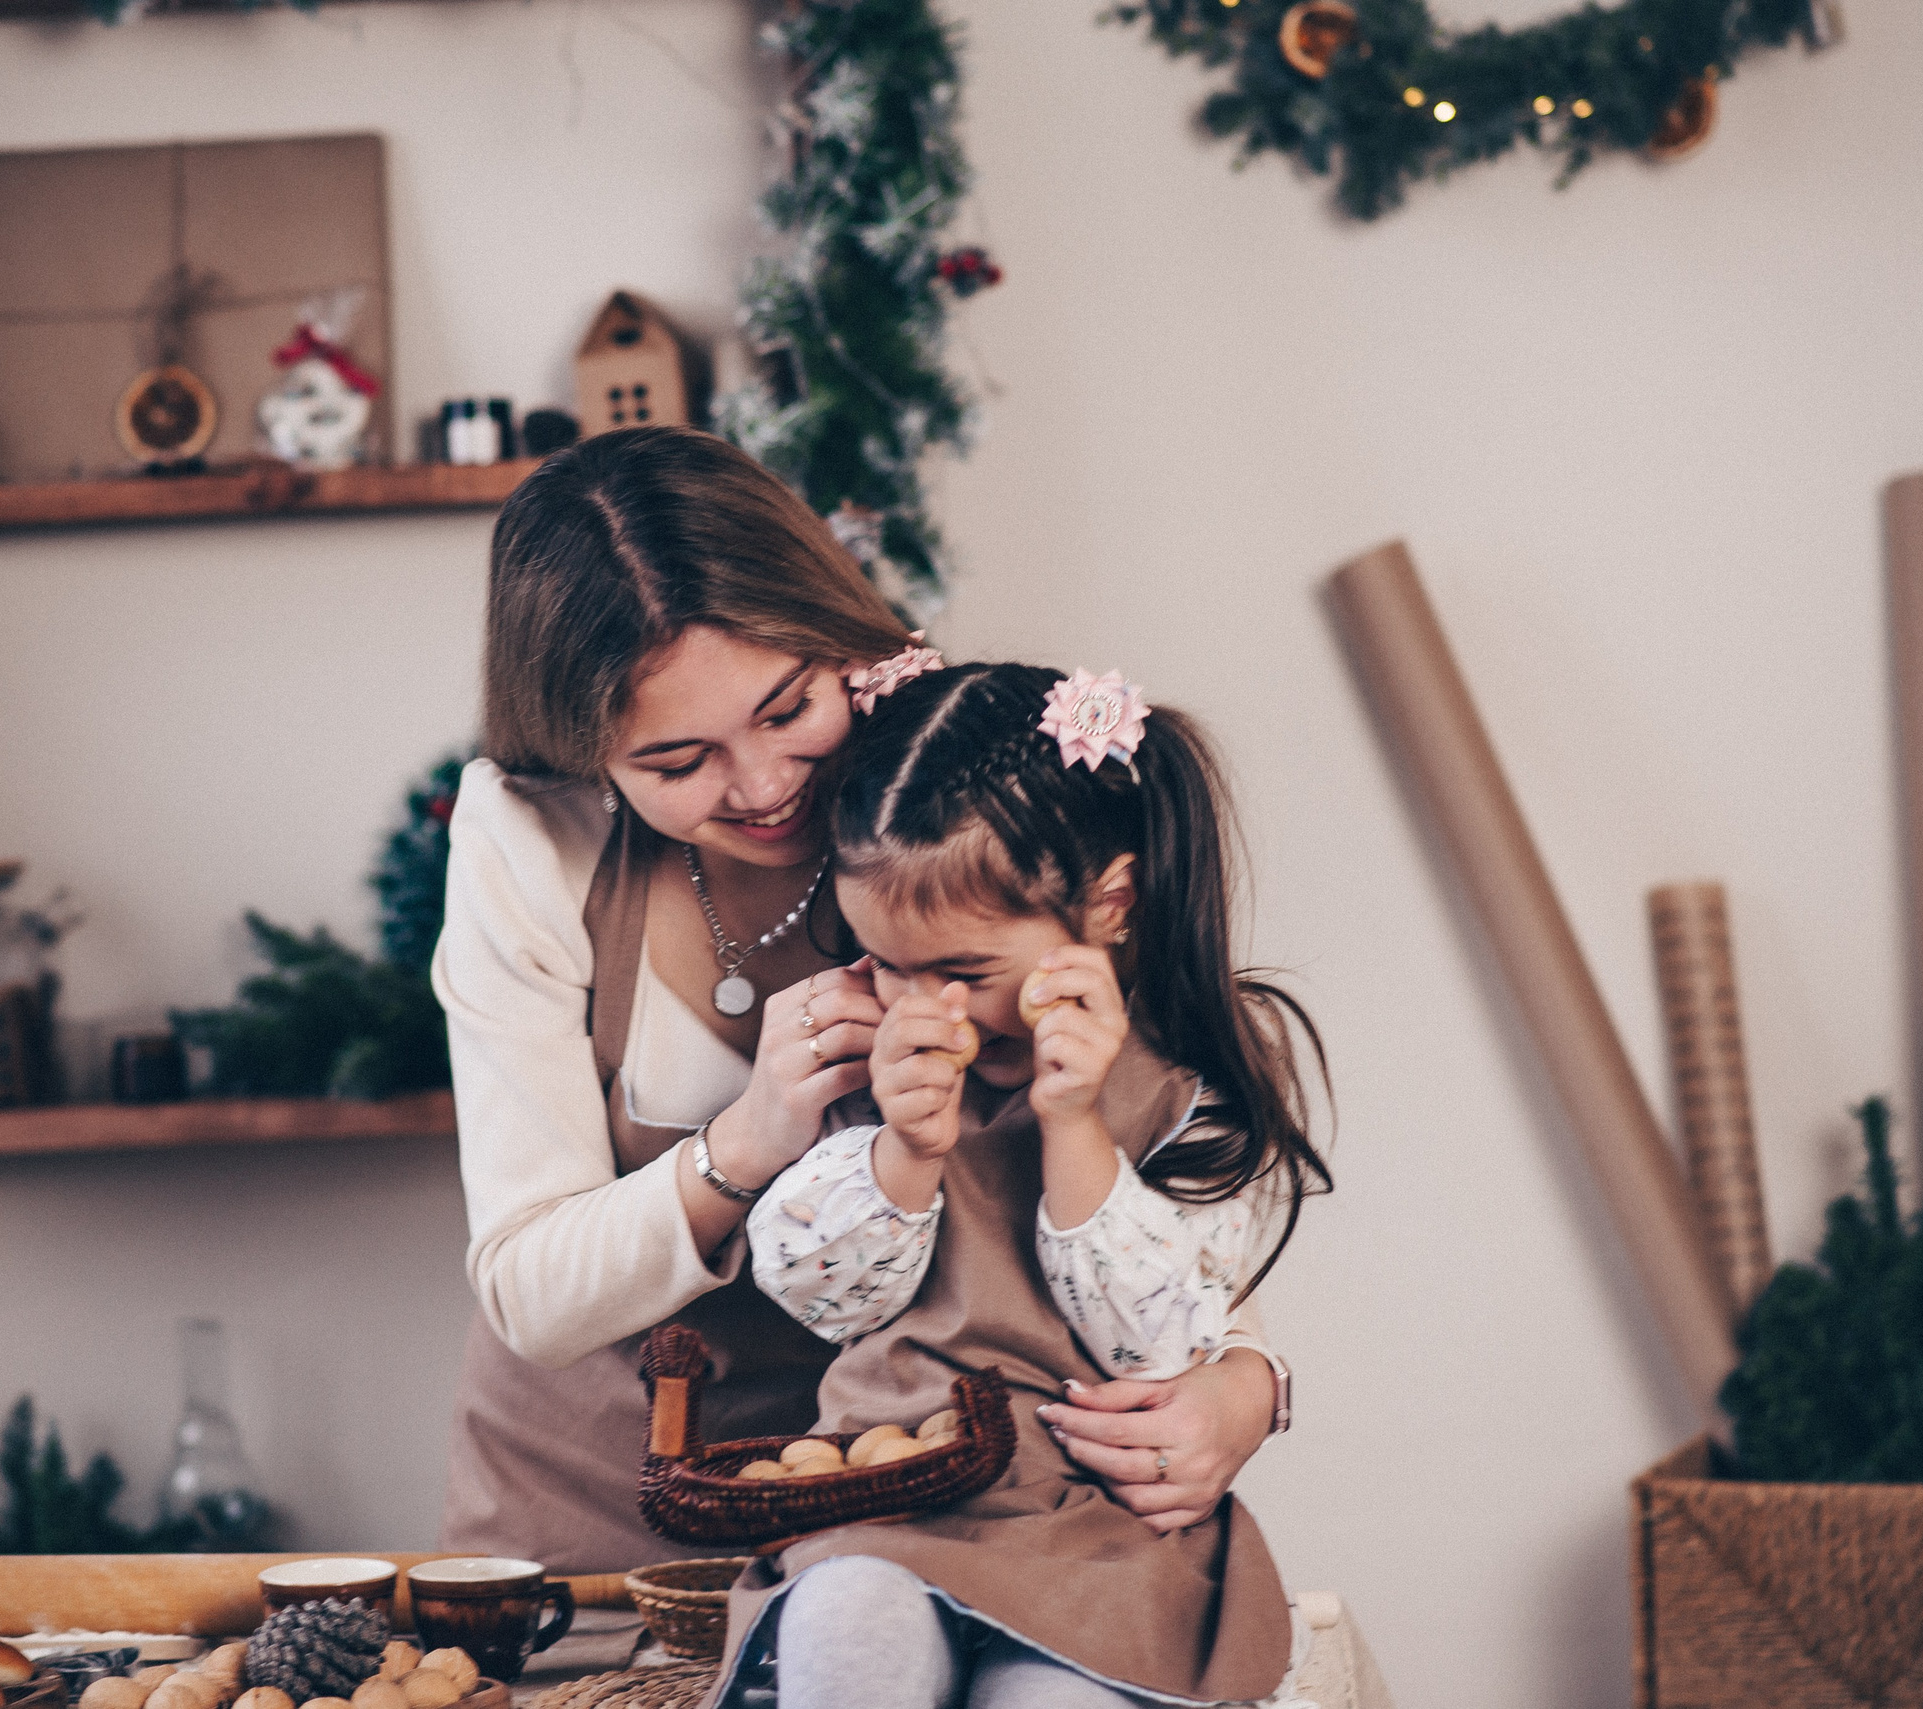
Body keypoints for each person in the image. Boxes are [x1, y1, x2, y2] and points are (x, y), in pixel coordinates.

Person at [432, 425, 1294, 1573]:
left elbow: (1142, 1110)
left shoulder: (940, 788)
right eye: (677, 763)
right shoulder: (531, 837)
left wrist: (1247, 1374)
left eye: (788, 708)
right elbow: (529, 1291)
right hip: (588, 1501)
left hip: (914, 1505)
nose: (762, 786)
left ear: (837, 641)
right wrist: (749, 1137)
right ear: (587, 754)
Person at [708, 660, 1331, 1709]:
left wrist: (1074, 1125)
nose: (924, 1006)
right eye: (885, 962)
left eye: (963, 972)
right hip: (885, 1505)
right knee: (844, 1621)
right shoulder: (869, 1064)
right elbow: (818, 1295)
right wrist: (905, 1150)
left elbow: (1161, 1347)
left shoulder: (1184, 1089)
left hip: (1097, 1528)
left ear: (1109, 904)